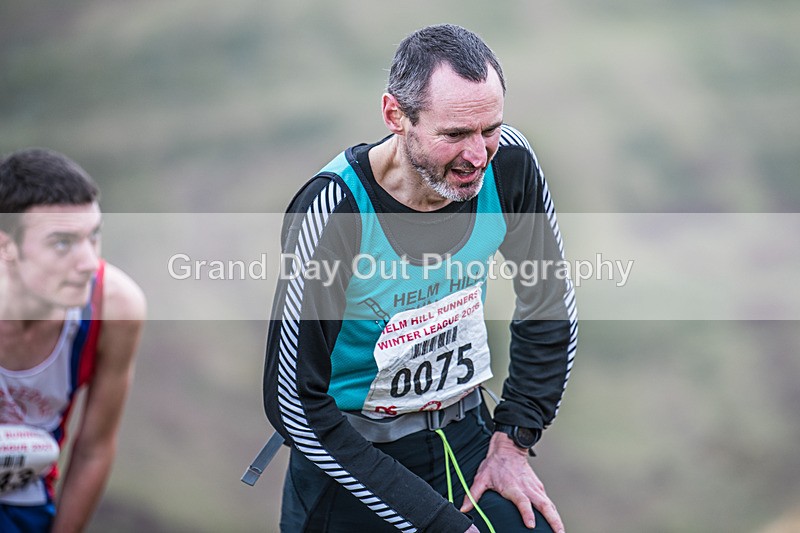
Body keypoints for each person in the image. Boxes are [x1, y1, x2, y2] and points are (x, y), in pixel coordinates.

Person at [262, 24, 577, 532]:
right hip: (350, 466)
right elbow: (296, 405)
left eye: (489, 128)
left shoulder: (510, 163)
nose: (478, 155)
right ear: (395, 116)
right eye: (454, 134)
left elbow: (549, 306)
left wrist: (514, 439)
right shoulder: (335, 211)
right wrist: (437, 525)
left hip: (467, 441)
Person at [0, 148, 146, 532]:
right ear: (6, 248)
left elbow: (94, 448)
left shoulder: (114, 306)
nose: (87, 262)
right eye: (62, 243)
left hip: (27, 507)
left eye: (92, 237)